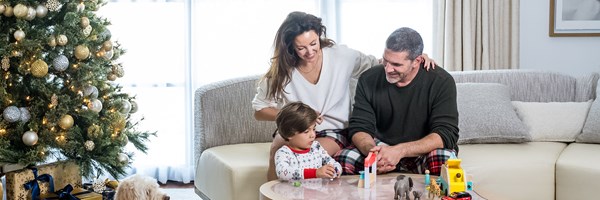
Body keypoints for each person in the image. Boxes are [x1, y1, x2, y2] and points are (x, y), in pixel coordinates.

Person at [252, 11, 436, 180]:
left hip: (335, 131)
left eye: (313, 43)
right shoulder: (282, 71)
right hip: (297, 128)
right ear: (290, 46)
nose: (309, 52)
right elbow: (259, 110)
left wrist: (415, 59)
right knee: (278, 148)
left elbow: (379, 65)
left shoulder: (341, 56)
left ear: (319, 36)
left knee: (311, 155)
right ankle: (272, 196)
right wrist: (296, 116)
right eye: (301, 48)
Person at [335, 27, 459, 176]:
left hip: (420, 151)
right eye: (385, 61)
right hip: (381, 149)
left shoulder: (441, 81)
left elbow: (445, 134)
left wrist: (400, 151)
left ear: (417, 61)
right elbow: (359, 127)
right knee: (343, 159)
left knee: (444, 160)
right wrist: (373, 153)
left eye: (396, 65)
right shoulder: (368, 79)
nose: (388, 69)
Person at [274, 102, 342, 181]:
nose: (313, 135)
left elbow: (332, 162)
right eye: (306, 131)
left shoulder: (316, 147)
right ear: (290, 134)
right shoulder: (284, 153)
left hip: (318, 192)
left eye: (313, 129)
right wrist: (315, 173)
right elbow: (283, 173)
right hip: (295, 192)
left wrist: (336, 170)